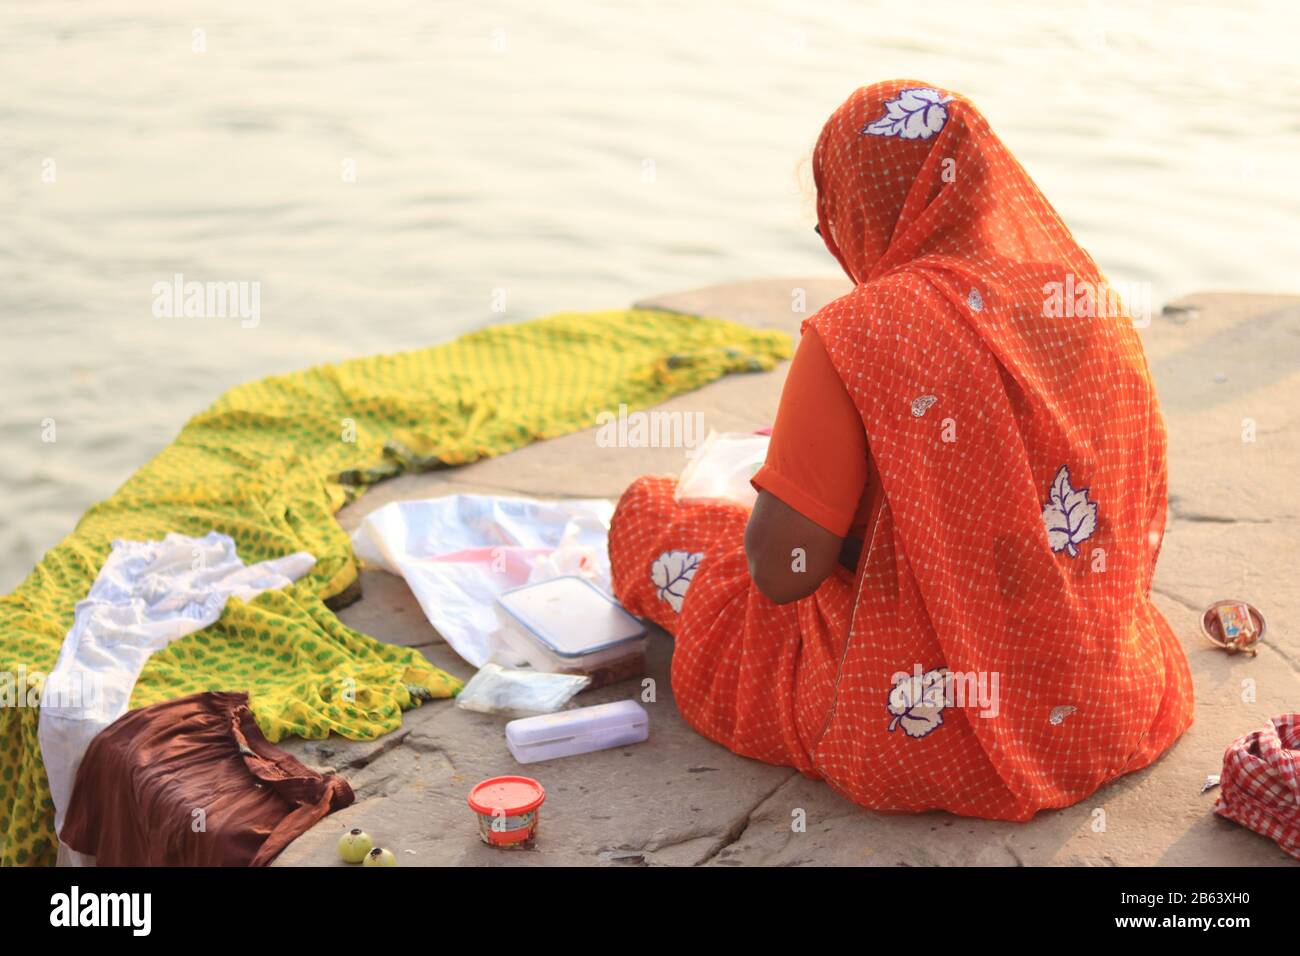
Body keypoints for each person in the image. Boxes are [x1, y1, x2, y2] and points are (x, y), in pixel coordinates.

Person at [607, 80, 1194, 821]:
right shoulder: (1082, 298)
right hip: (1102, 703)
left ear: (857, 206)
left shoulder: (857, 334)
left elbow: (783, 572)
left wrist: (781, 489)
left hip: (906, 726)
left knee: (653, 517)